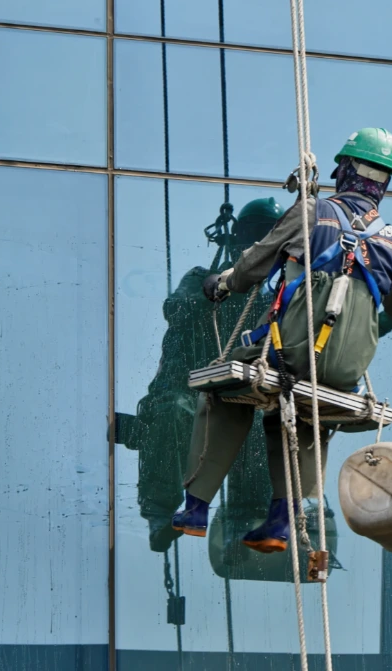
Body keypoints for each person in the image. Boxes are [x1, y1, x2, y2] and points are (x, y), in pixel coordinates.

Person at [171, 127, 392, 554]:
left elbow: (252, 267)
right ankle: (281, 519)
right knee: (308, 409)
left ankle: (196, 507)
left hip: (290, 352)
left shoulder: (314, 211)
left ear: (345, 170)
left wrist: (221, 284)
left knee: (223, 391)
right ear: (384, 184)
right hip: (345, 372)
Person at [116, 198, 283, 552]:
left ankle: (253, 519)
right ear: (237, 239)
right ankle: (161, 513)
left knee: (267, 430)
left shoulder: (278, 296)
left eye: (267, 237)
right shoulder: (201, 278)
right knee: (174, 413)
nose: (258, 243)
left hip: (241, 398)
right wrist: (222, 287)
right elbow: (176, 309)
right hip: (187, 392)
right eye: (254, 236)